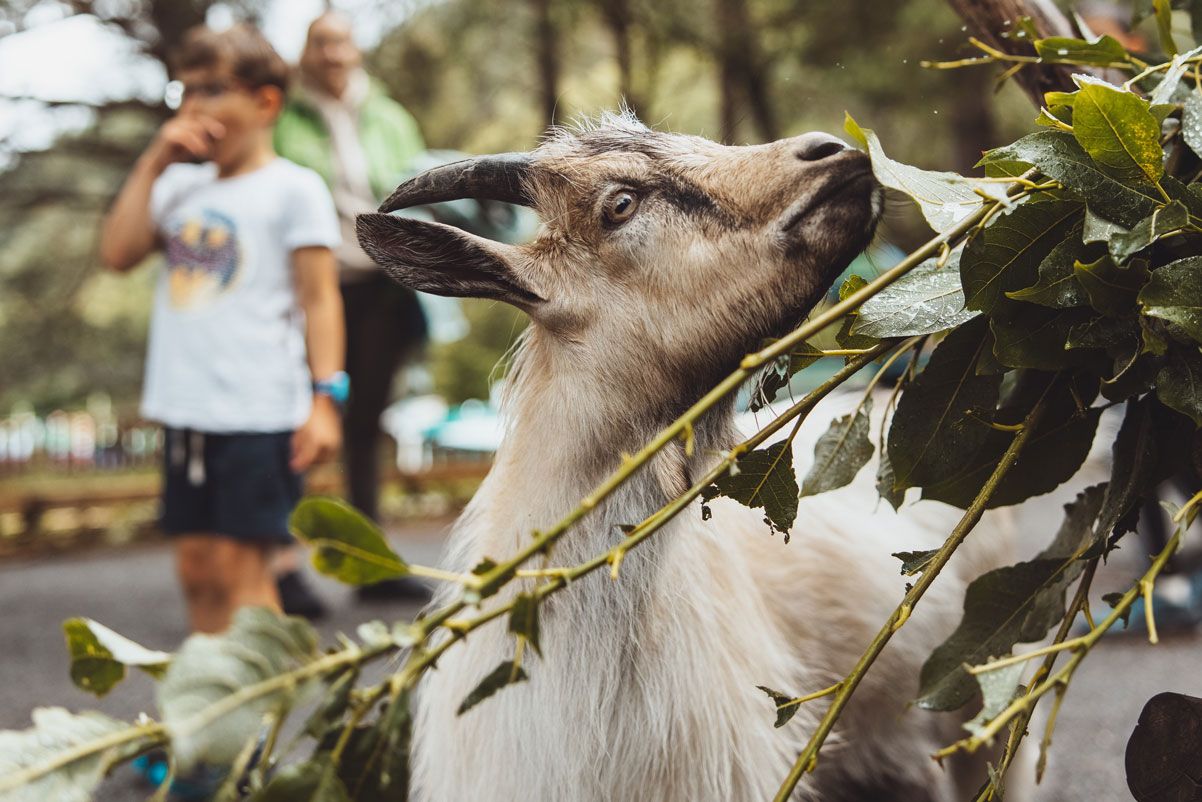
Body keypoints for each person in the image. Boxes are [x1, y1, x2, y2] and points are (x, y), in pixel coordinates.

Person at [99, 23, 345, 635]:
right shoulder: (179, 185)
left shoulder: (295, 189)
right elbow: (118, 252)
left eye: (211, 89)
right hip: (187, 412)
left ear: (264, 102)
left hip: (258, 412)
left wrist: (325, 400)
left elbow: (321, 300)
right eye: (184, 91)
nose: (192, 107)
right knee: (196, 568)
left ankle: (262, 716)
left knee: (244, 572)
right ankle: (215, 709)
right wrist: (156, 158)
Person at [274, 11, 431, 603]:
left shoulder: (391, 119)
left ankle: (374, 563)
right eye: (321, 45)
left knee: (366, 424)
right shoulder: (282, 121)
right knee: (298, 418)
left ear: (357, 51)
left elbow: (421, 191)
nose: (333, 55)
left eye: (341, 43)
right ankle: (283, 566)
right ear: (305, 55)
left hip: (380, 287)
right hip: (310, 288)